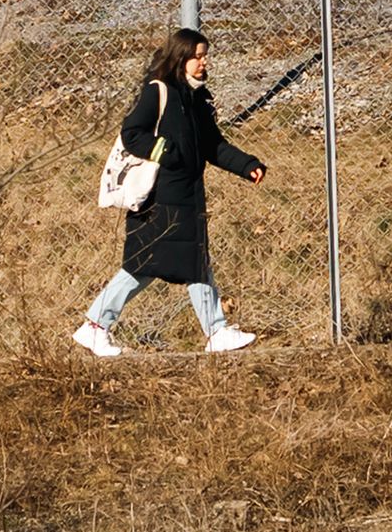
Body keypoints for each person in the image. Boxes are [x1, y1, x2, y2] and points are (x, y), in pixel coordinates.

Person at [75, 27, 266, 356]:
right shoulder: (158, 91)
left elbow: (212, 145)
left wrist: (246, 165)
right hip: (159, 198)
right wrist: (167, 152)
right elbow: (132, 133)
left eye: (205, 56)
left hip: (186, 197)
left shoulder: (197, 99)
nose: (203, 62)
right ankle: (95, 326)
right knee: (146, 265)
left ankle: (215, 331)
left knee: (191, 262)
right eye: (197, 56)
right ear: (181, 57)